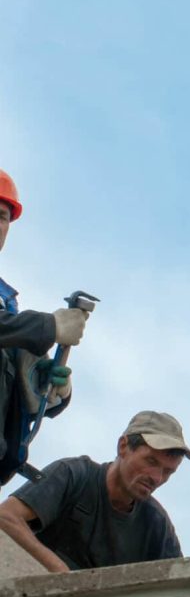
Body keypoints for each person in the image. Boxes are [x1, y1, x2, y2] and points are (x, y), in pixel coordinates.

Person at [0, 411, 190, 573]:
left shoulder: (156, 524)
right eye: (151, 462)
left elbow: (182, 585)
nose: (157, 478)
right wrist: (65, 577)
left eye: (168, 472)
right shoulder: (75, 474)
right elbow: (6, 517)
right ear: (123, 446)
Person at [0, 169, 88, 483]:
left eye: (2, 217)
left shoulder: (7, 303)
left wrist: (51, 388)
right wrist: (48, 327)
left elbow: (16, 391)